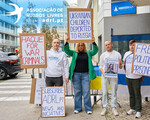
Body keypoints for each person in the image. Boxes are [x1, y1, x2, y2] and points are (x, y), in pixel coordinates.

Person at [64, 36, 98, 115]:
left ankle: (88, 109)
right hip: (76, 75)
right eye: (79, 45)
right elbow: (66, 50)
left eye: (82, 45)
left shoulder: (88, 53)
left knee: (86, 92)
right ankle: (78, 108)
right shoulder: (74, 53)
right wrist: (67, 41)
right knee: (77, 92)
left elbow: (96, 50)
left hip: (85, 75)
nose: (80, 47)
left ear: (84, 46)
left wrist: (93, 42)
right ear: (77, 46)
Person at [99, 40, 122, 116]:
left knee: (114, 92)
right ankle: (104, 107)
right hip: (105, 76)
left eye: (109, 44)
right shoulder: (103, 55)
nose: (107, 46)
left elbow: (120, 67)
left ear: (111, 45)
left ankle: (113, 107)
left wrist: (120, 63)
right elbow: (100, 66)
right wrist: (103, 73)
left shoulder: (117, 54)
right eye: (106, 45)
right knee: (105, 92)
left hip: (113, 76)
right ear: (105, 46)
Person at [123, 40, 142, 118]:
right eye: (131, 45)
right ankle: (132, 108)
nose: (132, 46)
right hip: (128, 77)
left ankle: (138, 110)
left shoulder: (140, 54)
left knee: (137, 94)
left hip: (136, 77)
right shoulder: (126, 54)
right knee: (131, 94)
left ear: (136, 46)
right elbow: (124, 63)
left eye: (133, 45)